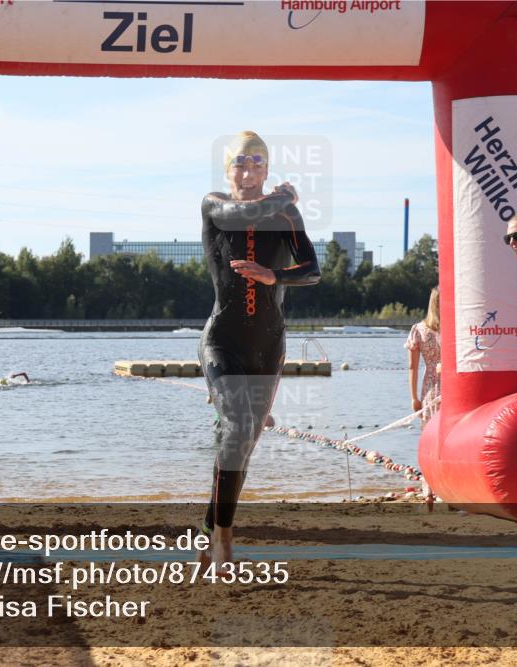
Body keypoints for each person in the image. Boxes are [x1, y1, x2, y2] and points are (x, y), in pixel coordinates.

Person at [197, 131, 320, 571]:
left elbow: (312, 269)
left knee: (244, 441)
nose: (248, 171)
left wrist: (274, 277)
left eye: (257, 164)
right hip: (222, 341)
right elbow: (242, 212)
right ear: (228, 169)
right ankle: (225, 542)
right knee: (235, 427)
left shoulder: (286, 214)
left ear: (265, 169)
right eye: (240, 163)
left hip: (268, 344)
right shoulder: (214, 206)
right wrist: (282, 196)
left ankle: (211, 526)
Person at [405, 287, 441, 426]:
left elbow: (412, 367)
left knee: (429, 428)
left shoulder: (419, 330)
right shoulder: (455, 327)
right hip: (453, 384)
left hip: (430, 386)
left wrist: (414, 398)